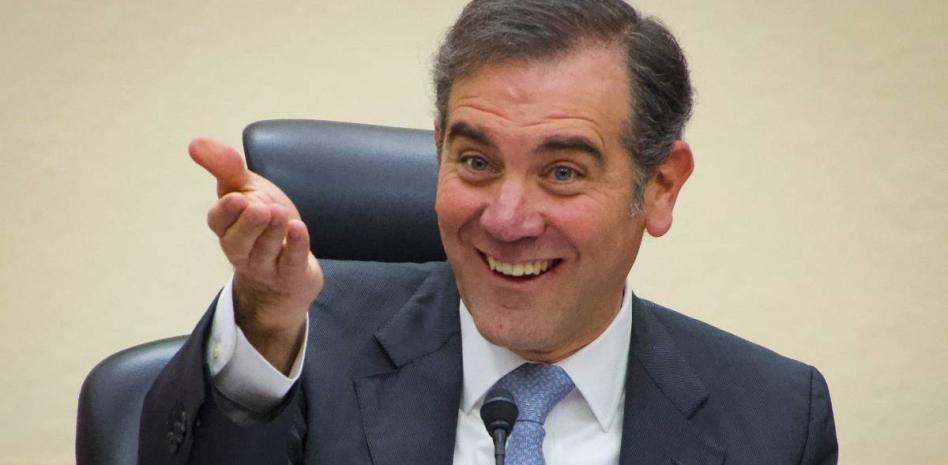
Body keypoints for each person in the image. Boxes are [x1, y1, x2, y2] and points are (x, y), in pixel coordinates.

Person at [139, 1, 838, 464]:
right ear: (439, 149)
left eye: (562, 172)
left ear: (660, 185)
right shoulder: (301, 340)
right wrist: (265, 320)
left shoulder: (776, 419)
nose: (505, 220)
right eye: (476, 162)